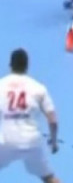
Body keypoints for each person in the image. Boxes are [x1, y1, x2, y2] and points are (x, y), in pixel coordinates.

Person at [0, 49, 61, 182]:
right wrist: (54, 142)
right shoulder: (38, 88)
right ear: (27, 66)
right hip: (32, 142)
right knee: (48, 177)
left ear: (10, 65)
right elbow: (53, 121)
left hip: (6, 141)